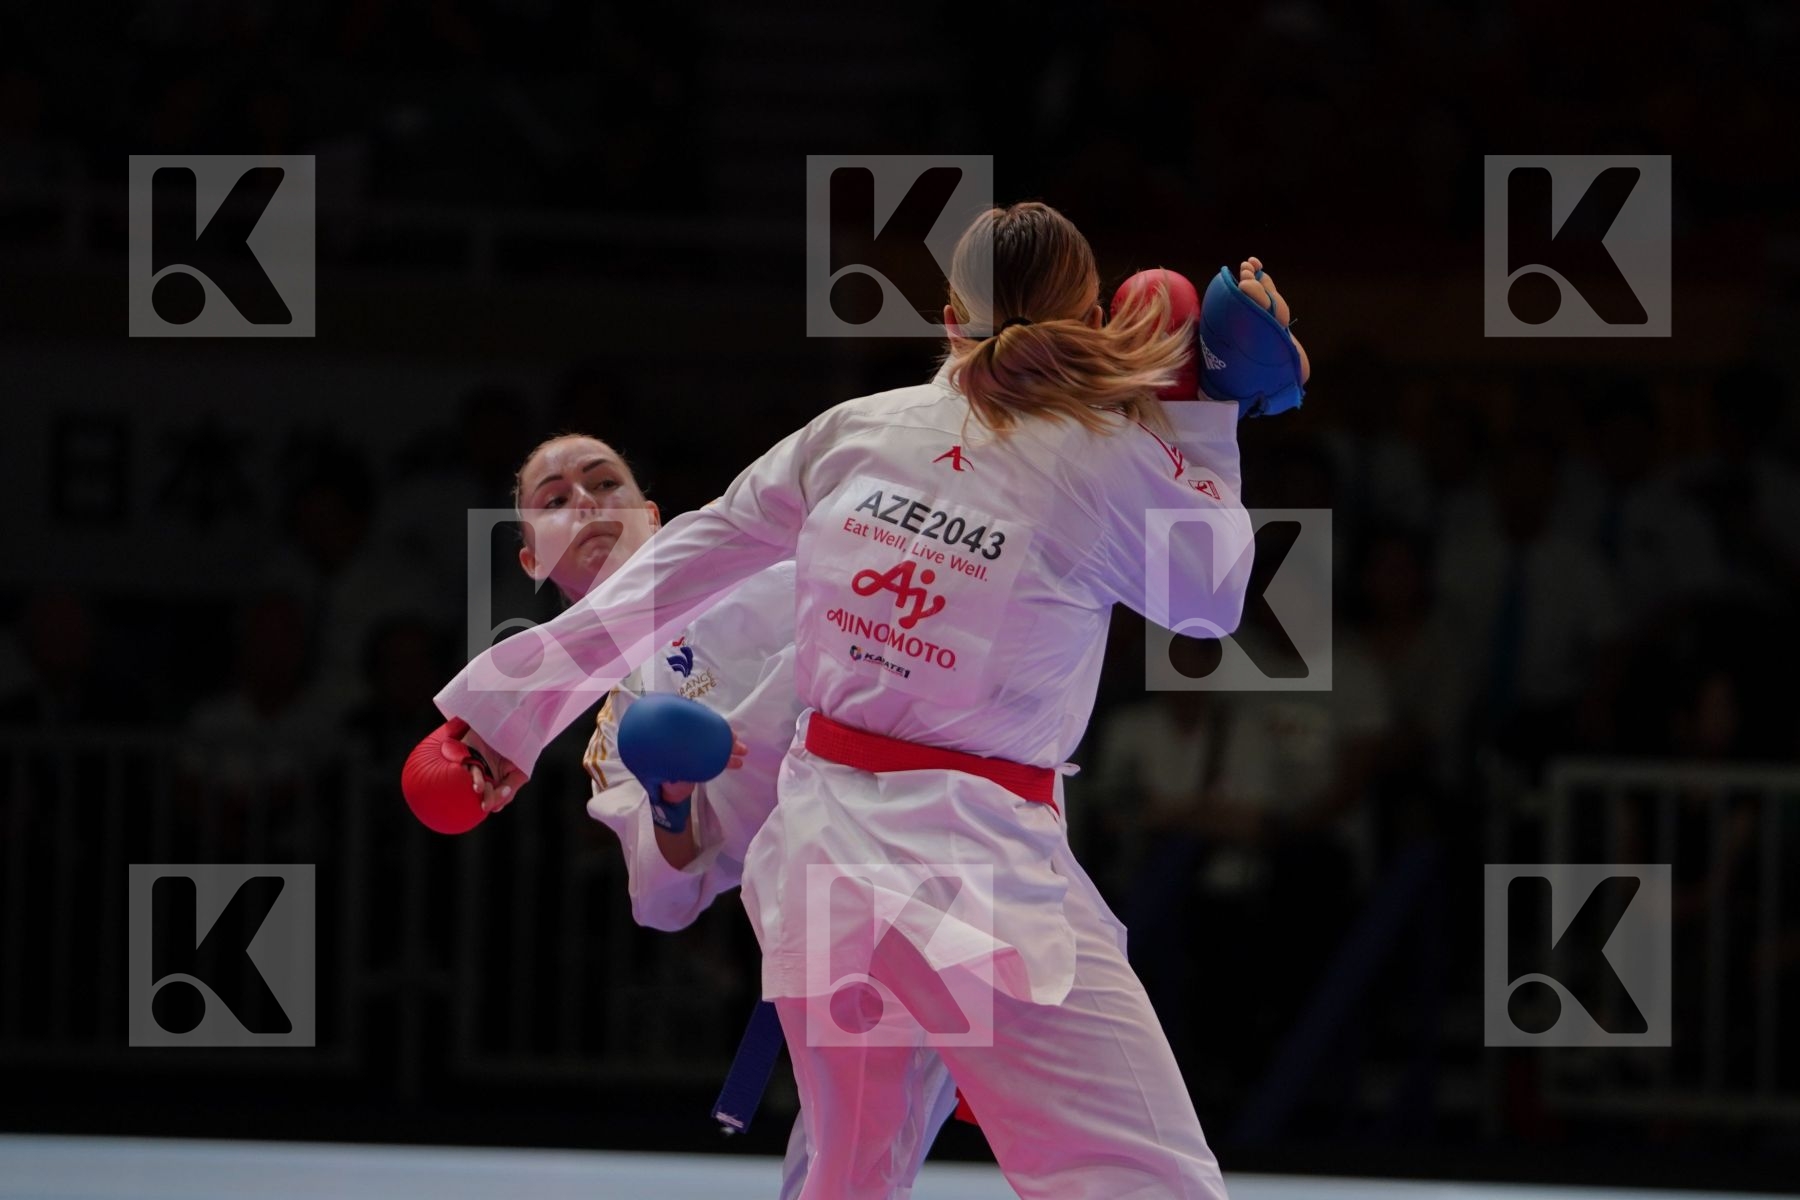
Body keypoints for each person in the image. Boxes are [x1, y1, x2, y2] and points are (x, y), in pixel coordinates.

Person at [438, 203, 1299, 1198]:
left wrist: (501, 722)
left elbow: (670, 567)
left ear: (946, 318)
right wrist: (1204, 409)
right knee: (1143, 1178)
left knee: (848, 1179)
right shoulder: (1106, 462)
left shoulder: (855, 431)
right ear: (1091, 315)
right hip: (976, 872)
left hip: (819, 864)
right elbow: (1211, 600)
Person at [501, 431, 957, 1197]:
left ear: (650, 513)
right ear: (532, 561)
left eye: (603, 482)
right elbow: (664, 900)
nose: (583, 502)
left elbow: (876, 641)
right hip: (841, 915)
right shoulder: (618, 729)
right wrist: (671, 797)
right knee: (851, 1165)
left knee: (1060, 1126)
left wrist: (761, 729)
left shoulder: (760, 548)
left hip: (948, 836)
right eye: (553, 501)